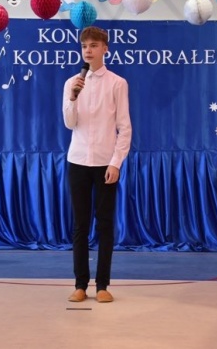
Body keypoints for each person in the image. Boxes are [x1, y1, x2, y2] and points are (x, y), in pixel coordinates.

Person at [62, 26, 132, 303]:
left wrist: (116, 163)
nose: (88, 50)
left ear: (105, 49)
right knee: (80, 226)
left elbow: (124, 128)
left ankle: (102, 285)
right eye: (84, 46)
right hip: (78, 160)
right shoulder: (72, 83)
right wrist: (73, 98)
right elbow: (70, 123)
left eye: (93, 45)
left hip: (105, 163)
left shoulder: (117, 83)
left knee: (104, 224)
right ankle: (80, 284)